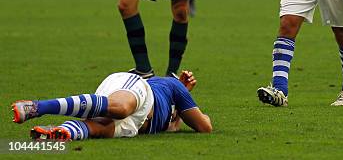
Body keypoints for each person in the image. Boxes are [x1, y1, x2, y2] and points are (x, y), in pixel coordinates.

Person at [12, 70, 212, 140]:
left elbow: (172, 128)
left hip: (135, 125)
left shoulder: (168, 119)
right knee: (120, 108)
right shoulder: (172, 85)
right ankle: (38, 107)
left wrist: (177, 113)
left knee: (98, 128)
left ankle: (59, 132)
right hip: (138, 88)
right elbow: (204, 127)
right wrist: (183, 90)